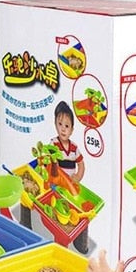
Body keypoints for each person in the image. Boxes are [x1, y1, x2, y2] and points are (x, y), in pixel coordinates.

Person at [51, 101, 88, 253]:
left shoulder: (74, 148)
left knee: (75, 207)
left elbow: (81, 164)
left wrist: (78, 177)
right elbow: (51, 163)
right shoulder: (53, 144)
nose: (63, 129)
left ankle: (78, 240)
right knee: (59, 209)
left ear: (72, 129)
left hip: (70, 184)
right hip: (57, 183)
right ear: (55, 124)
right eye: (60, 124)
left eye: (66, 126)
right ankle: (60, 238)